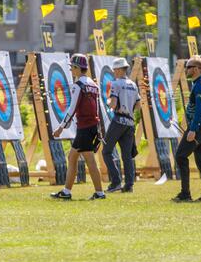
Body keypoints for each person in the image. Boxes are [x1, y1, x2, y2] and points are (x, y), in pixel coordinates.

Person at [50, 54, 106, 201]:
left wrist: (61, 127)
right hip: (92, 126)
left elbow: (72, 108)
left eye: (72, 68)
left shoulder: (78, 85)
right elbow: (97, 109)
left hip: (85, 127)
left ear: (77, 68)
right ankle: (67, 191)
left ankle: (97, 193)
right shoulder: (93, 85)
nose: (71, 71)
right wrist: (98, 127)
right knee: (74, 157)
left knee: (87, 159)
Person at [172, 56, 201, 202]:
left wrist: (193, 129)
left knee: (180, 155)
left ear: (198, 69)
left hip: (198, 126)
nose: (187, 69)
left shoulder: (200, 86)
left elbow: (199, 110)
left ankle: (185, 193)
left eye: (189, 66)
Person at [102, 57, 141, 193]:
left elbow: (112, 104)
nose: (113, 72)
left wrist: (108, 102)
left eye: (114, 69)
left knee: (106, 151)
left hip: (118, 121)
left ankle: (116, 182)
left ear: (119, 69)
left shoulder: (115, 84)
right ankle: (129, 185)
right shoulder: (133, 84)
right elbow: (138, 105)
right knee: (127, 156)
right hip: (130, 122)